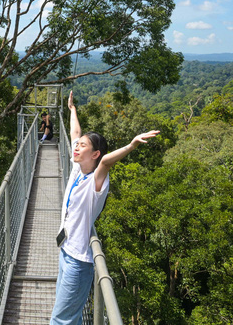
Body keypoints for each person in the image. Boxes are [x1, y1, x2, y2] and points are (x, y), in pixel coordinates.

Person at [50, 91, 159, 325]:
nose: (76, 147)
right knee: (70, 318)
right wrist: (72, 110)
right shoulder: (79, 170)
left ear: (96, 154)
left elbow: (107, 162)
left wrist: (131, 145)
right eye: (77, 146)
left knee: (60, 321)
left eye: (83, 147)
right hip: (66, 252)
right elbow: (75, 133)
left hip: (78, 263)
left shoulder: (96, 183)